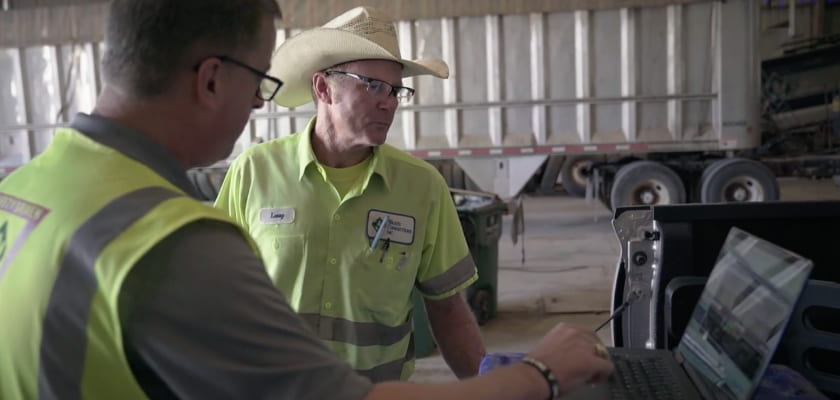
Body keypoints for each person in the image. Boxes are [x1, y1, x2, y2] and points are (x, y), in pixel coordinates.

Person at [0, 1, 612, 399]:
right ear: (212, 78)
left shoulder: (22, 189)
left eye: (395, 92)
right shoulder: (170, 237)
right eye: (259, 79)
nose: (260, 103)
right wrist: (539, 372)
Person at [214, 6, 484, 382]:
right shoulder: (254, 171)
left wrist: (493, 388)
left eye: (395, 90)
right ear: (323, 87)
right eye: (373, 85)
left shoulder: (422, 187)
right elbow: (218, 293)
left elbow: (449, 311)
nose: (388, 102)